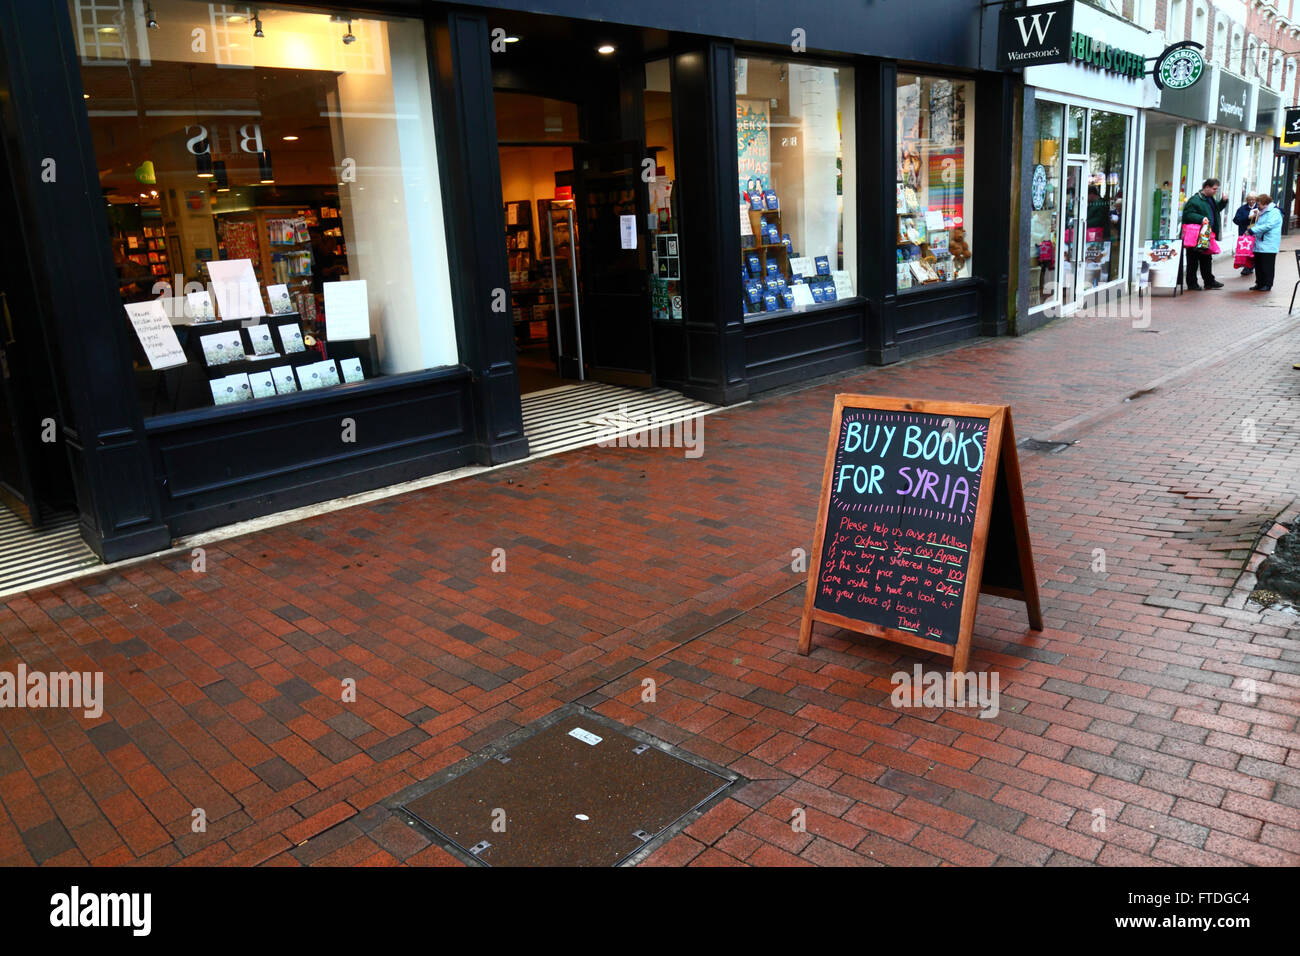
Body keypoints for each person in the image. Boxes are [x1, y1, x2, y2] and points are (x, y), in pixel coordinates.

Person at [1181, 177, 1228, 290]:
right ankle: (1192, 284)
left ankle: (1209, 281)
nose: (1215, 191)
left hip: (1205, 235)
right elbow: (1187, 215)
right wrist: (1201, 218)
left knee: (1206, 258)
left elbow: (1216, 209)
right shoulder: (1195, 200)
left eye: (1216, 189)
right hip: (1195, 236)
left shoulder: (1209, 199)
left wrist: (1223, 201)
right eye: (1214, 189)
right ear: (1206, 187)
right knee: (1193, 260)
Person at [1247, 192, 1282, 292]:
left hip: (1269, 243)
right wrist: (1250, 226)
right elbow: (1254, 224)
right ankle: (1259, 283)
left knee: (1267, 265)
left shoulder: (1274, 212)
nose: (1257, 206)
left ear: (1265, 203)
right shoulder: (1260, 211)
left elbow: (1268, 225)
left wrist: (1252, 230)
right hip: (1259, 242)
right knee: (1258, 264)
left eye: (1259, 204)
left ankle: (1267, 284)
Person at [1233, 193, 1259, 276]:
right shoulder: (1242, 209)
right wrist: (1248, 217)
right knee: (1246, 250)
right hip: (1244, 233)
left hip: (1255, 233)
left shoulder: (1259, 208)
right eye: (1249, 199)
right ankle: (1247, 266)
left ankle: (1250, 266)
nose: (1251, 201)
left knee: (1254, 250)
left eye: (1253, 199)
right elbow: (1236, 220)